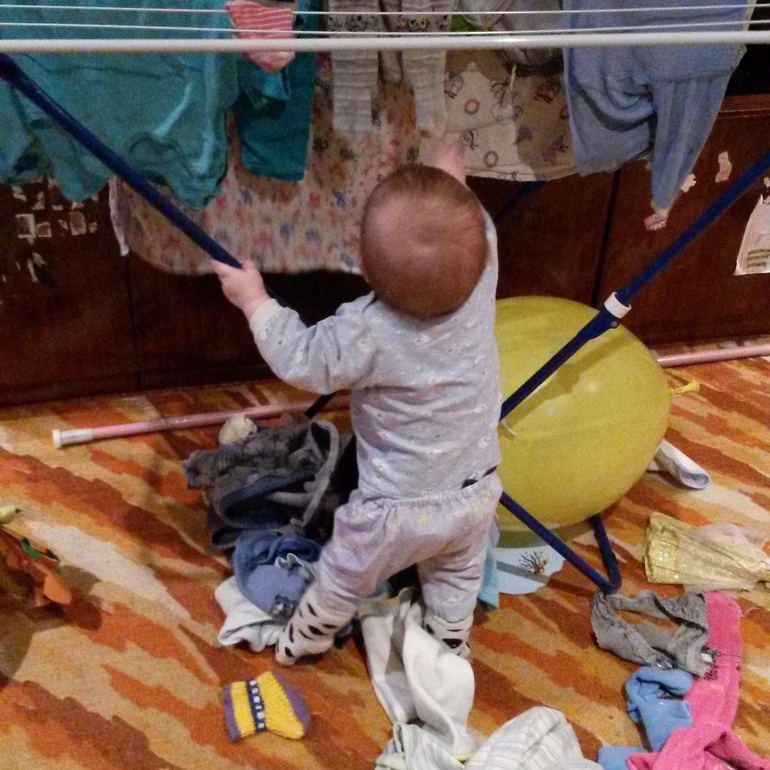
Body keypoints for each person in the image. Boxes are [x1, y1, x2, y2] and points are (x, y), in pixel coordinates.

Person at [211, 139, 502, 664]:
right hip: (474, 494)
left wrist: (253, 299)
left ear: (364, 269)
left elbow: (301, 358)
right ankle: (450, 643)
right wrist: (451, 175)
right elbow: (471, 228)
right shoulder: (482, 280)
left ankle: (305, 639)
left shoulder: (367, 331)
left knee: (341, 579)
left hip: (391, 514)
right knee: (457, 576)